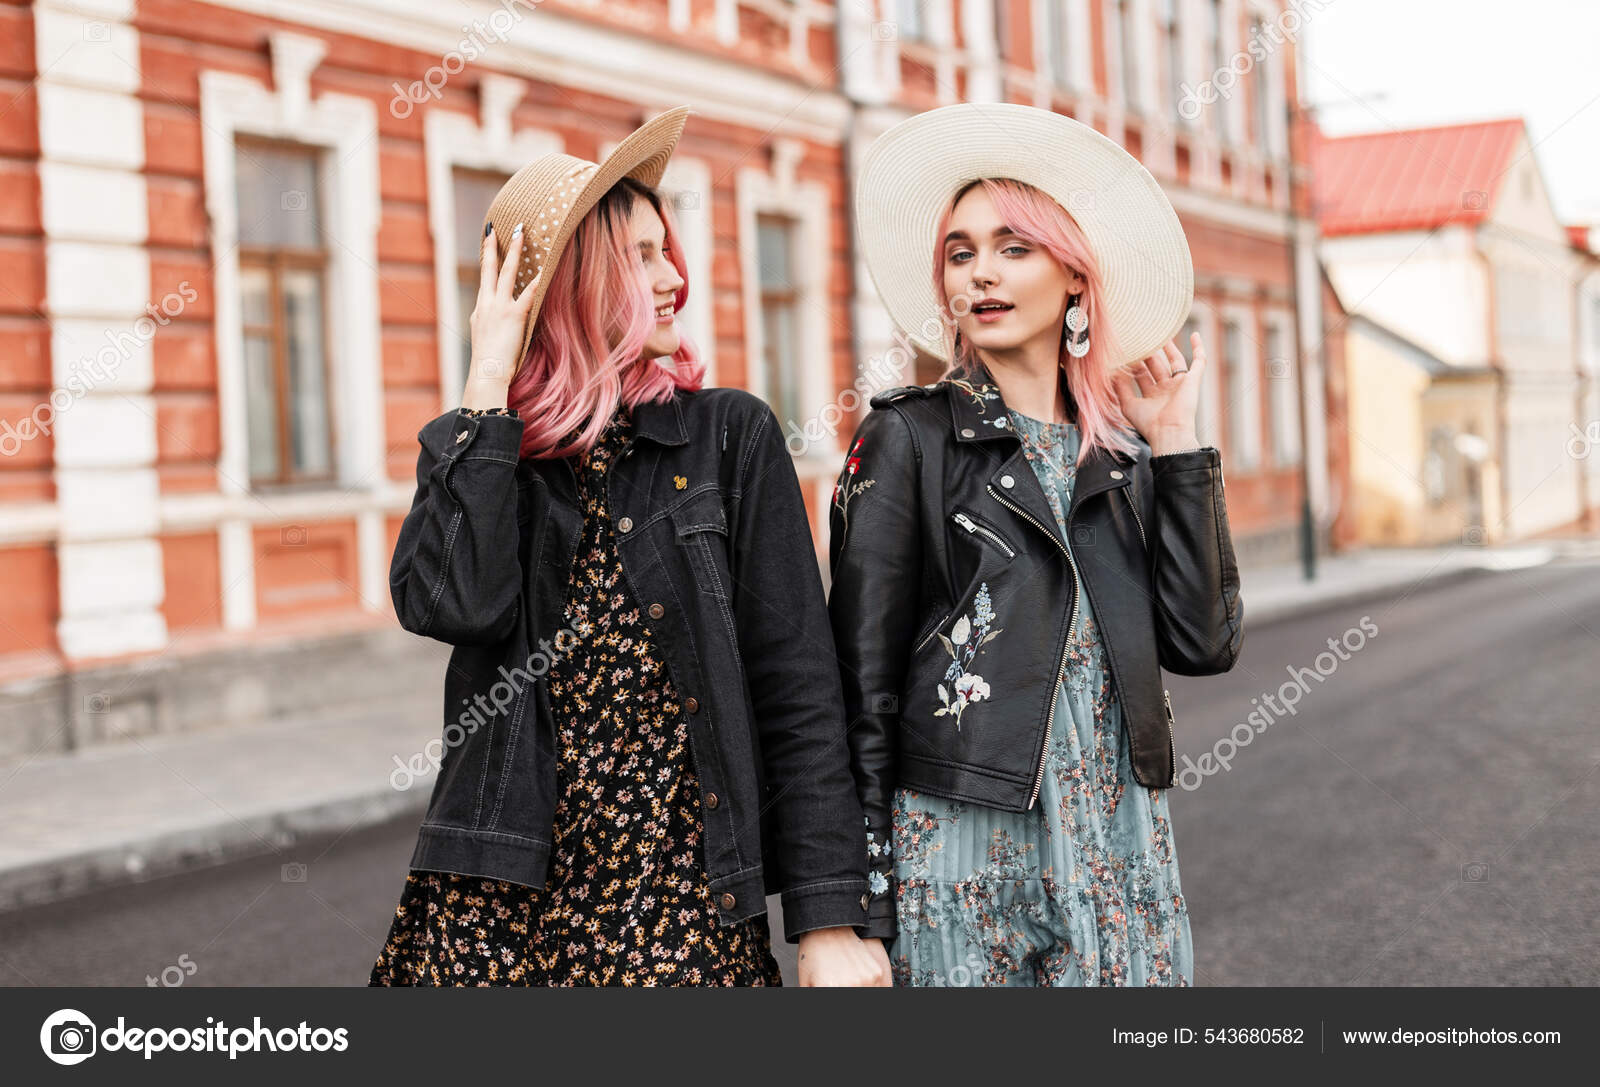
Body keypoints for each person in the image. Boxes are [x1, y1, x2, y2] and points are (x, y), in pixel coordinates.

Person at [370, 107, 883, 987]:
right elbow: (448, 603)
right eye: (639, 258)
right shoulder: (504, 462)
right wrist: (485, 388)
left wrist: (828, 918)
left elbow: (798, 687)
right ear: (573, 289)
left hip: (679, 918)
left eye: (666, 250)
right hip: (497, 921)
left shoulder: (727, 439)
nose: (673, 276)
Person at [829, 102, 1246, 986]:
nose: (981, 273)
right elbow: (856, 693)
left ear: (1074, 278)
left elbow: (1204, 643)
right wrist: (854, 911)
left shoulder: (1126, 457)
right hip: (967, 852)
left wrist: (1176, 446)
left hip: (1121, 845)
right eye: (961, 251)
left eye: (1013, 247)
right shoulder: (908, 441)